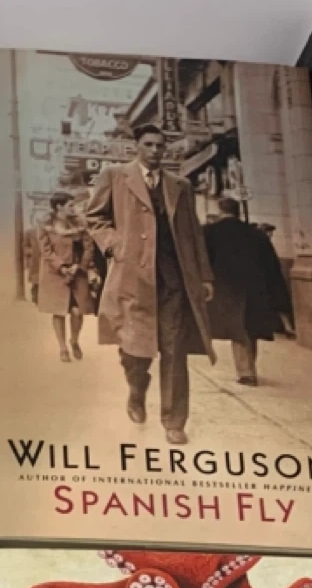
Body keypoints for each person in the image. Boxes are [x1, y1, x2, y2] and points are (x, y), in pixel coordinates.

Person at [85, 124, 215, 443]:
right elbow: (94, 218)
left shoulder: (180, 185)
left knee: (174, 349)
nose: (155, 150)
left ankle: (174, 421)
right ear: (137, 146)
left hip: (174, 280)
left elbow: (194, 233)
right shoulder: (114, 176)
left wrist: (204, 276)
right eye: (149, 144)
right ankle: (137, 388)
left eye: (160, 145)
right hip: (133, 280)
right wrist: (115, 246)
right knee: (134, 350)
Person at [204, 196, 294, 385]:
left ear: (220, 211)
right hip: (254, 288)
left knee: (238, 328)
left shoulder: (210, 232)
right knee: (249, 328)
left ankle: (247, 372)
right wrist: (277, 296)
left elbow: (203, 261)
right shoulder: (256, 234)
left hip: (226, 288)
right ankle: (248, 369)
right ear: (237, 212)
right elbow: (271, 266)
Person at [36, 191, 98, 362]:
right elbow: (45, 250)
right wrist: (61, 267)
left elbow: (89, 247)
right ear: (59, 207)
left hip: (78, 272)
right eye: (70, 205)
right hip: (55, 274)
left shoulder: (80, 223)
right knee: (59, 311)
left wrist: (81, 266)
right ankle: (62, 348)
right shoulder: (45, 225)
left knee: (77, 311)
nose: (74, 208)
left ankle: (74, 340)